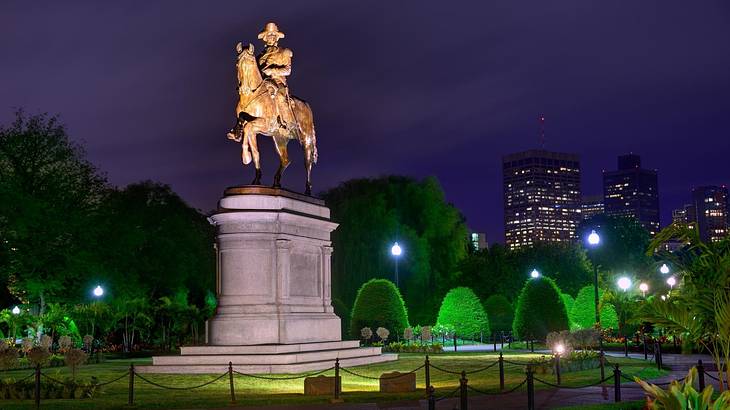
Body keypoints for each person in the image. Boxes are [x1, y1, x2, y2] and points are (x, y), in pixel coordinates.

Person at [257, 22, 295, 131]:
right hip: (262, 83)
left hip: (277, 81)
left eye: (273, 35)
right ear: (265, 38)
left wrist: (272, 71)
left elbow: (288, 71)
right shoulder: (259, 57)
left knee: (279, 97)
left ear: (277, 38)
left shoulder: (284, 52)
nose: (271, 38)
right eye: (268, 35)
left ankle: (287, 123)